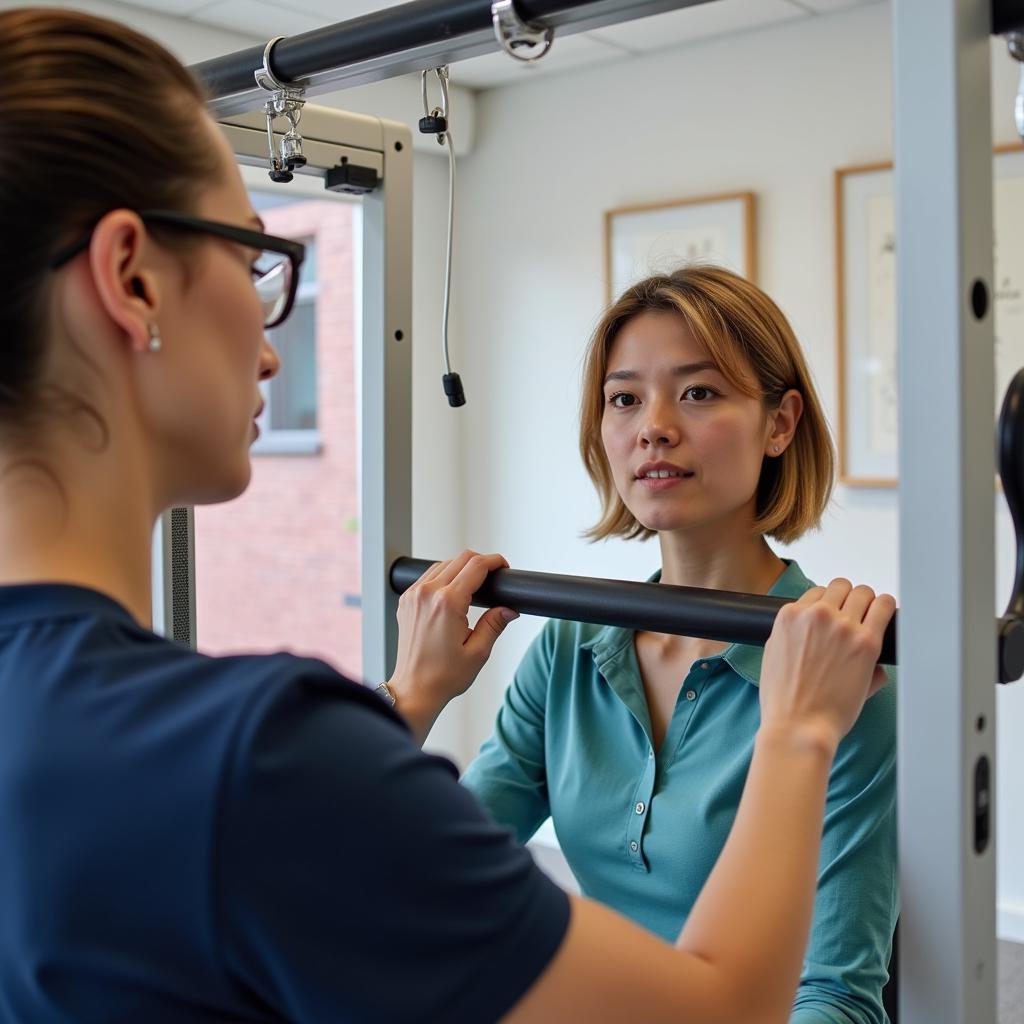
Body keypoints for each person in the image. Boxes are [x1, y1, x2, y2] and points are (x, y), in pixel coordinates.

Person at [0, 9, 895, 1023]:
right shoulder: (272, 745)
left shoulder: (828, 658)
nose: (268, 342)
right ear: (129, 279)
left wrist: (406, 698)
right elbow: (696, 1000)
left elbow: (382, 890)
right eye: (255, 256)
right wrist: (795, 735)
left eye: (697, 394)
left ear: (778, 423)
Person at [392, 268, 898, 1023]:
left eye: (698, 392)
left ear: (780, 424)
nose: (652, 426)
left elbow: (836, 997)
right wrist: (410, 698)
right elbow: (438, 884)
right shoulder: (572, 645)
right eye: (624, 398)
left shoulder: (837, 673)